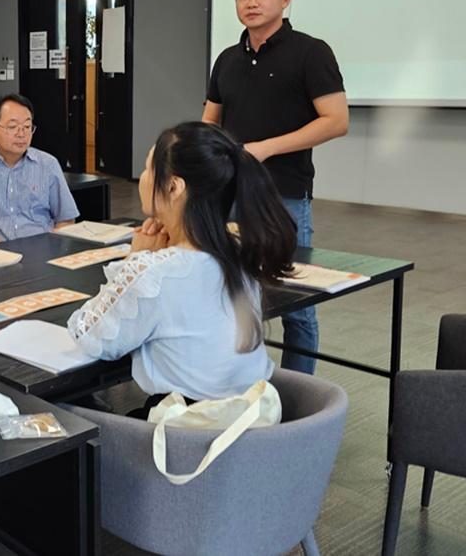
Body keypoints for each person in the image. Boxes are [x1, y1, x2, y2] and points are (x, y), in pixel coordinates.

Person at [65, 122, 297, 417]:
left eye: (149, 169)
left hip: (188, 441)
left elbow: (89, 337)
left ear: (174, 186)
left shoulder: (155, 272)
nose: (143, 177)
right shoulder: (240, 255)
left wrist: (135, 261)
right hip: (251, 425)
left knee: (65, 413)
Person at [202, 0, 349, 374]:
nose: (251, 2)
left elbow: (336, 121)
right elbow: (209, 121)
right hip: (227, 194)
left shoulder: (311, 52)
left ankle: (303, 396)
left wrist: (267, 148)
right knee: (230, 292)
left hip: (284, 194)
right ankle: (238, 384)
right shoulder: (227, 59)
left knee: (296, 303)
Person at [0, 94, 78, 245]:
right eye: (12, 127)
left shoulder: (47, 164)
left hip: (40, 253)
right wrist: (2, 252)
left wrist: (53, 249)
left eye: (27, 127)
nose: (21, 134)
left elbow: (66, 219)